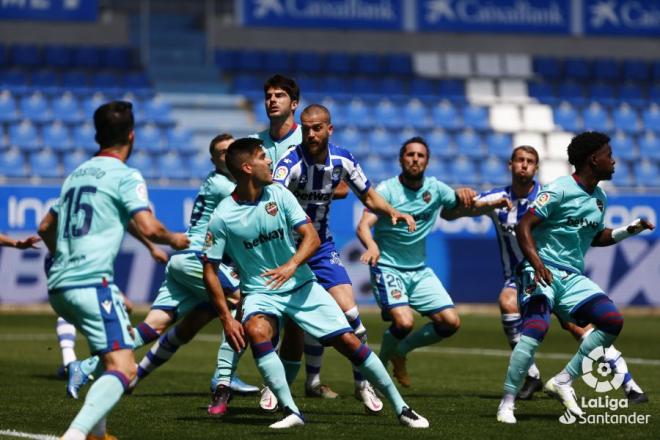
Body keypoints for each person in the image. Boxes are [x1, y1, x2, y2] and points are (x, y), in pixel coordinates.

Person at [201, 137, 429, 428]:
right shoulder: (222, 215)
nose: (269, 160)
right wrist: (225, 318)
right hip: (260, 292)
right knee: (255, 329)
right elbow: (209, 268)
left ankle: (402, 408)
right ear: (247, 167)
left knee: (349, 341)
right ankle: (291, 411)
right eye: (262, 157)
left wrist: (291, 265)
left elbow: (312, 237)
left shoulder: (279, 195)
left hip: (300, 284)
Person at [65, 134, 257, 416]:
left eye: (232, 150)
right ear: (215, 160)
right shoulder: (224, 184)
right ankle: (223, 376)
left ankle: (86, 366)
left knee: (152, 327)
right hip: (197, 260)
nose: (228, 155)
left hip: (182, 261)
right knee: (250, 303)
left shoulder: (216, 181)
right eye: (222, 152)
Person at [442, 145, 648, 403]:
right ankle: (530, 375)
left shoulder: (550, 195)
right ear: (510, 165)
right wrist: (460, 199)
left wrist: (626, 230)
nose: (524, 165)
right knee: (508, 301)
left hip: (555, 273)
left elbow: (588, 231)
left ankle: (628, 382)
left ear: (537, 168)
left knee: (583, 330)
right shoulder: (496, 199)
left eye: (530, 161)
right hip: (522, 275)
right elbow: (448, 215)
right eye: (519, 160)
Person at [38, 101, 190, 440]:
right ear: (132, 137)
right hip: (91, 284)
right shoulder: (125, 175)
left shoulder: (76, 174)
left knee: (107, 354)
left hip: (59, 284)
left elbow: (46, 225)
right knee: (125, 367)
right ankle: (74, 436)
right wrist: (173, 239)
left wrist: (62, 256)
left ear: (97, 136)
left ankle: (97, 432)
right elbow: (148, 227)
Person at [495, 132, 654, 424]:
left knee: (611, 321)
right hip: (541, 270)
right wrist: (537, 263)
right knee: (535, 331)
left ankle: (563, 379)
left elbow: (597, 237)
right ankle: (507, 403)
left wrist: (628, 230)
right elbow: (524, 226)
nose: (614, 160)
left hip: (572, 277)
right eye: (609, 154)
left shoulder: (600, 198)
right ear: (594, 159)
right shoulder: (559, 190)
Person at [270, 104, 417, 412]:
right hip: (287, 249)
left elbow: (367, 194)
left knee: (355, 323)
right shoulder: (289, 165)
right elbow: (269, 203)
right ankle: (271, 386)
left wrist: (391, 210)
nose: (311, 133)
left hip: (322, 247)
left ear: (329, 129)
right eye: (306, 128)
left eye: (317, 128)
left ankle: (363, 387)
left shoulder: (343, 159)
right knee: (277, 324)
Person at [357, 136, 508, 387]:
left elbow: (464, 207)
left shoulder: (436, 188)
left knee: (450, 323)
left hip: (419, 271)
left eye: (420, 156)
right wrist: (372, 245)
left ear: (427, 162)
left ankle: (401, 351)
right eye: (410, 155)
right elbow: (363, 225)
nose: (415, 159)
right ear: (400, 159)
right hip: (389, 267)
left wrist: (492, 204)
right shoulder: (386, 190)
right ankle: (375, 378)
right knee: (404, 322)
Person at [250, 76, 348, 408]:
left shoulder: (309, 135)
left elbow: (342, 184)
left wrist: (306, 192)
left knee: (302, 317)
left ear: (295, 104)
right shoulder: (255, 142)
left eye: (279, 95)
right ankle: (228, 381)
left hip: (307, 237)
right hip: (269, 238)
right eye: (268, 95)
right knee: (259, 316)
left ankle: (312, 380)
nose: (272, 100)